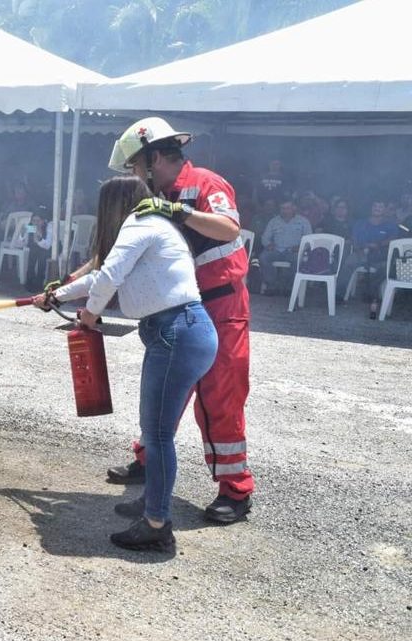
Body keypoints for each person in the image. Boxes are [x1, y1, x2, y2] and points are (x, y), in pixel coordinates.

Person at [34, 175, 218, 551]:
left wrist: (88, 314)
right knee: (155, 431)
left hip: (176, 332)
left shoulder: (138, 224)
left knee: (158, 434)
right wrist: (57, 295)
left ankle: (156, 523)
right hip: (182, 330)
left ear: (112, 207)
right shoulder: (156, 226)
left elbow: (109, 277)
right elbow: (103, 275)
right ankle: (153, 503)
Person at [96, 117, 254, 524]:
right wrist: (69, 282)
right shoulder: (153, 195)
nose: (132, 174)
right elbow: (119, 254)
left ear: (155, 158)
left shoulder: (206, 184)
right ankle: (149, 462)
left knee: (220, 397)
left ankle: (235, 492)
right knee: (165, 393)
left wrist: (176, 211)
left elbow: (227, 227)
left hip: (222, 306)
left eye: (134, 165)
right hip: (179, 308)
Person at [337, 201, 403, 308]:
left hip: (380, 255)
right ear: (370, 208)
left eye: (381, 206)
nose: (377, 208)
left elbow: (393, 239)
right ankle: (338, 296)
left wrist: (378, 244)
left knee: (388, 267)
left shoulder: (391, 225)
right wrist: (360, 250)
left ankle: (371, 292)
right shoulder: (360, 223)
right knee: (348, 262)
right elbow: (354, 239)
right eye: (375, 206)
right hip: (361, 252)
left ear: (385, 209)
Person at [258, 199, 312, 295]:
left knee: (298, 260)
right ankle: (271, 285)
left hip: (293, 251)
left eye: (288, 208)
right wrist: (268, 244)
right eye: (282, 208)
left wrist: (300, 247)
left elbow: (309, 239)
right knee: (263, 257)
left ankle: (290, 287)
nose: (285, 211)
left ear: (294, 208)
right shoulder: (274, 221)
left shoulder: (303, 221)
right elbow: (265, 237)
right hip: (276, 250)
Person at [21, 210, 54, 291]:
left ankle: (39, 281)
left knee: (42, 254)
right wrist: (22, 234)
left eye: (38, 221)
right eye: (34, 221)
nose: (35, 223)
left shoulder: (49, 226)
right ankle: (30, 280)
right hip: (37, 249)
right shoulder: (31, 227)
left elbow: (47, 245)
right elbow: (21, 242)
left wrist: (39, 238)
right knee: (33, 251)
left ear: (43, 221)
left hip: (51, 248)